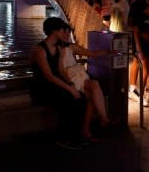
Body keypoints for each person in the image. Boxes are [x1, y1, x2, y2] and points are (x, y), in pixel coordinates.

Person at [30, 17, 86, 148]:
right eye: (62, 30)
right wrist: (69, 88)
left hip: (55, 85)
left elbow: (60, 70)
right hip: (42, 87)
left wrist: (69, 83)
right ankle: (64, 137)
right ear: (54, 31)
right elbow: (49, 76)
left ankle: (74, 135)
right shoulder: (40, 50)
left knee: (80, 98)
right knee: (69, 98)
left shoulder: (58, 48)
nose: (65, 33)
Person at [57, 27, 119, 140]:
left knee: (92, 94)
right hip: (69, 80)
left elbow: (91, 53)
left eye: (68, 33)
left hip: (79, 77)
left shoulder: (70, 47)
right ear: (57, 32)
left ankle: (90, 127)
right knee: (92, 90)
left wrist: (108, 51)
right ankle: (100, 121)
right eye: (65, 33)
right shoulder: (55, 50)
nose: (68, 36)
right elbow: (59, 70)